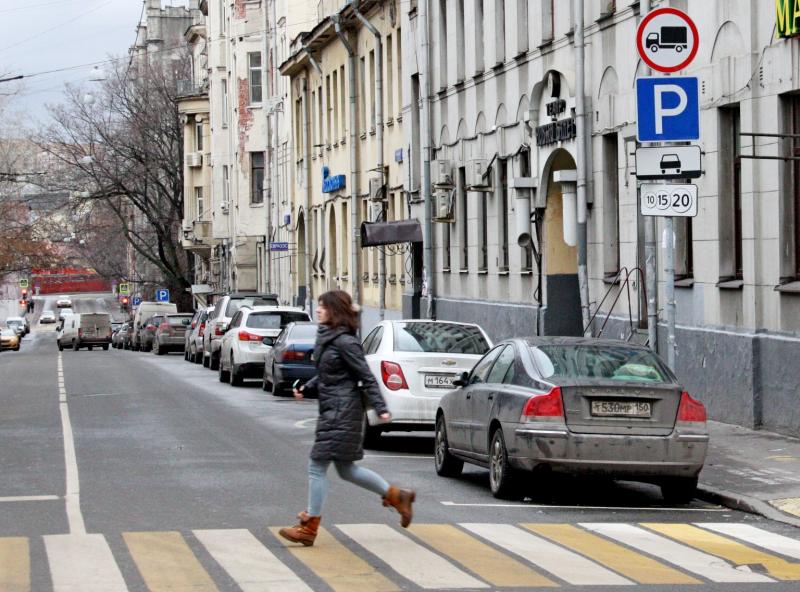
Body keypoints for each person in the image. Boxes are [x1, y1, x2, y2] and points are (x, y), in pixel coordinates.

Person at [278, 290, 415, 547]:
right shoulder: (331, 338)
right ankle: (397, 497)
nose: (318, 310)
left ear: (334, 311)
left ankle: (309, 526)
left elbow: (365, 375)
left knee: (316, 466)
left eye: (322, 306)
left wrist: (381, 407)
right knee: (347, 470)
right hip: (334, 410)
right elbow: (331, 375)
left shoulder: (345, 341)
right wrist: (307, 388)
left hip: (342, 414)